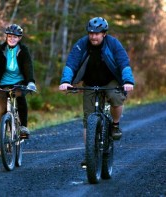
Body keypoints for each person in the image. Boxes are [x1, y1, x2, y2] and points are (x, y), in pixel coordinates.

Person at [58, 17, 135, 166]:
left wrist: (128, 81)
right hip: (90, 82)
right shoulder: (82, 44)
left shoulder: (113, 44)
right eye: (91, 33)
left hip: (110, 80)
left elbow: (123, 62)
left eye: (97, 33)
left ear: (104, 34)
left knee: (116, 97)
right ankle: (90, 155)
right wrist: (66, 81)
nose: (93, 36)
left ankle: (115, 125)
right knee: (88, 120)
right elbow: (71, 62)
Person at [0, 24, 36, 140]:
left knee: (20, 97)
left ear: (19, 38)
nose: (12, 39)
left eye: (15, 37)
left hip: (19, 82)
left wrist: (30, 82)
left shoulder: (23, 50)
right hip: (2, 83)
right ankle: (2, 141)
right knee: (3, 110)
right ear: (6, 37)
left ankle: (23, 127)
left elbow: (28, 66)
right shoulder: (0, 49)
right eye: (9, 36)